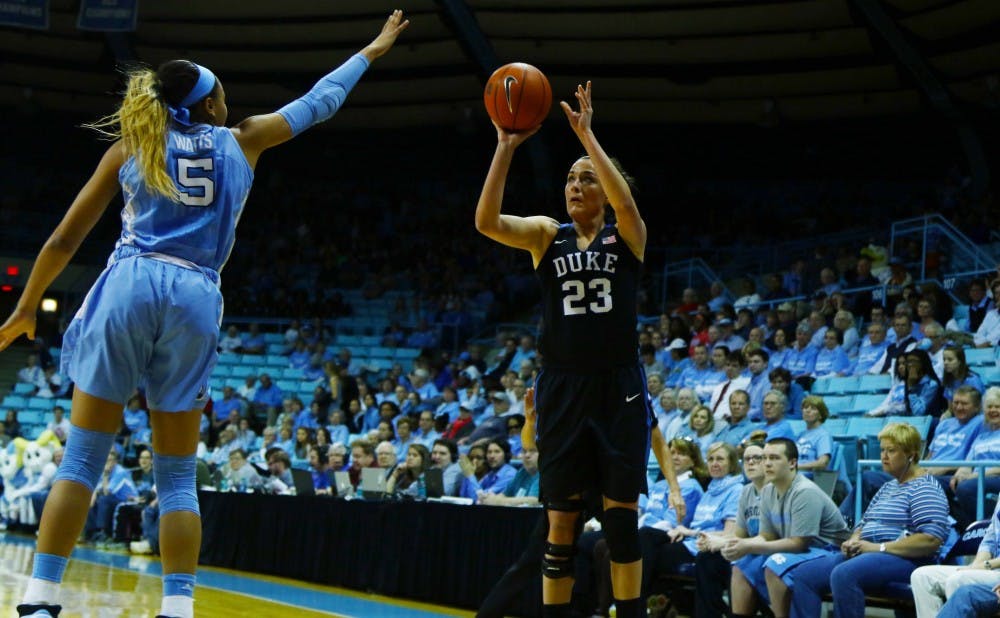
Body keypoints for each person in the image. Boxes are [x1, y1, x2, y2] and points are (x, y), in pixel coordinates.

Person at [0, 13, 408, 618]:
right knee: (177, 475)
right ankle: (177, 608)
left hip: (131, 282)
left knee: (82, 459)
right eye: (222, 93)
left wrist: (27, 305)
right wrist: (371, 51)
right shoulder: (243, 139)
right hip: (194, 294)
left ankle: (39, 600)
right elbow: (320, 102)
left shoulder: (131, 147)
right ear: (211, 104)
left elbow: (64, 239)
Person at [475, 79, 650, 617]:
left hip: (617, 384)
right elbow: (485, 221)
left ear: (607, 188)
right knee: (561, 522)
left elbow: (625, 201)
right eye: (571, 178)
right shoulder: (545, 236)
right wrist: (505, 146)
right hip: (562, 387)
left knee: (620, 519)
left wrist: (588, 137)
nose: (575, 185)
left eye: (587, 179)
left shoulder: (628, 235)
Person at [791, 422, 950, 618]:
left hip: (909, 559)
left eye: (891, 451)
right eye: (882, 450)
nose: (883, 456)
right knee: (803, 575)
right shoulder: (888, 487)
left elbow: (930, 540)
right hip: (869, 554)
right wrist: (855, 539)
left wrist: (877, 547)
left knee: (844, 574)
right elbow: (864, 523)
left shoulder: (925, 488)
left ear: (911, 454)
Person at [721, 438, 850, 618]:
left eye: (774, 458)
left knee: (775, 564)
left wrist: (749, 546)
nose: (767, 463)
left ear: (792, 463)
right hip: (800, 551)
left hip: (831, 552)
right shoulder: (767, 491)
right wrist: (740, 544)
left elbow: (798, 543)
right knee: (742, 565)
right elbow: (766, 536)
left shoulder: (805, 491)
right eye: (764, 458)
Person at [695, 440, 768, 618]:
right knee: (709, 558)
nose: (750, 462)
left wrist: (721, 541)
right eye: (747, 459)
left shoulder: (771, 491)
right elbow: (739, 533)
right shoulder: (747, 491)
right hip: (750, 549)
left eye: (757, 458)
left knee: (737, 563)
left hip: (770, 552)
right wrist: (719, 541)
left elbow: (771, 537)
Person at [911, 498, 1000, 617]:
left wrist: (985, 565)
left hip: (995, 570)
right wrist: (976, 565)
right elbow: (991, 538)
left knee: (958, 579)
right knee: (922, 576)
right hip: (991, 569)